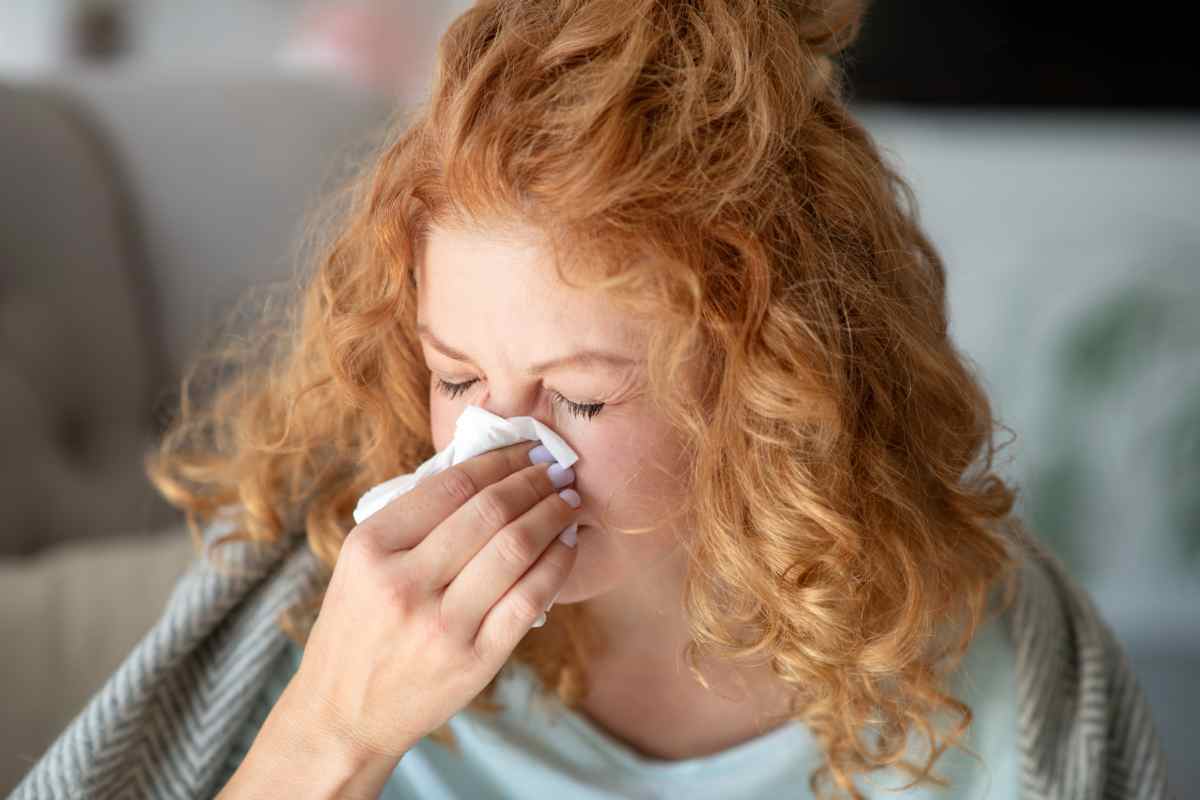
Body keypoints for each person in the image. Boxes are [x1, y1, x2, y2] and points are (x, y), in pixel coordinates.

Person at [13, 1, 1170, 798]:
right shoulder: (312, 597)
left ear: (770, 387)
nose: (486, 447)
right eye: (456, 375)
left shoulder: (1000, 679)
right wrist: (334, 727)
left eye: (582, 401)